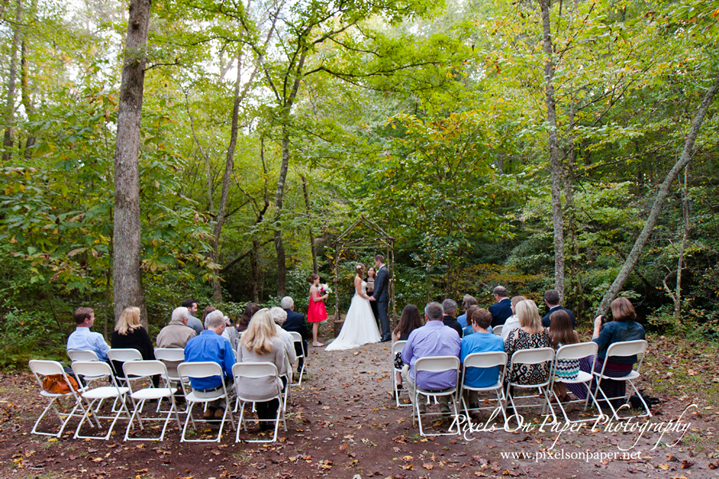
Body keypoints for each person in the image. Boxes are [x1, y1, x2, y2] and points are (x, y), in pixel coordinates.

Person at [566, 298, 646, 407]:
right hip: (627, 369)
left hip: (608, 369)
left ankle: (591, 394)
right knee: (601, 360)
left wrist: (597, 327)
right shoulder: (639, 328)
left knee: (584, 358)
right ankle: (610, 396)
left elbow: (594, 347)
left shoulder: (610, 327)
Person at [401, 302, 462, 415]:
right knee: (453, 369)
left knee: (405, 371)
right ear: (443, 317)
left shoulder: (416, 333)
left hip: (422, 380)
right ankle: (444, 402)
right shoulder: (453, 333)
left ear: (426, 317)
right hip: (448, 380)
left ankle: (419, 404)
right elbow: (458, 357)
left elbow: (405, 358)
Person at [236, 310, 286, 431]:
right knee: (276, 381)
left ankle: (263, 420)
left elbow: (239, 364)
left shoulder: (243, 341)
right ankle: (270, 418)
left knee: (259, 381)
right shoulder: (277, 343)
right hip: (267, 389)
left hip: (245, 389)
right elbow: (279, 369)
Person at [183, 312, 236, 420]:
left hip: (196, 387)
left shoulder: (191, 342)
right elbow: (231, 370)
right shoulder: (223, 342)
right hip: (215, 386)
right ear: (221, 327)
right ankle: (222, 407)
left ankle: (211, 408)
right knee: (231, 379)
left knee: (215, 377)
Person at [326, 263, 381, 351]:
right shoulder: (358, 279)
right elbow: (359, 292)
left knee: (365, 317)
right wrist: (368, 297)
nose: (364, 271)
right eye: (363, 269)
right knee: (359, 317)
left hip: (363, 300)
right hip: (360, 300)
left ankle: (366, 335)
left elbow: (363, 289)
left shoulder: (360, 279)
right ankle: (360, 336)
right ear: (361, 270)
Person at [461, 308, 505, 407]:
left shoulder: (467, 340)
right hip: (492, 379)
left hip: (471, 381)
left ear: (475, 323)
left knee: (459, 376)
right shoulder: (499, 340)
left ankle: (464, 409)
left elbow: (462, 365)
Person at [504, 300, 551, 386]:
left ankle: (508, 395)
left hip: (519, 377)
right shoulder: (545, 332)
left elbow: (506, 353)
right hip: (543, 375)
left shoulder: (515, 333)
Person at [110, 306, 156, 379]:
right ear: (135, 318)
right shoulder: (140, 332)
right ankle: (155, 385)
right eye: (138, 316)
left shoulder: (115, 333)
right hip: (139, 370)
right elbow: (150, 350)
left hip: (121, 371)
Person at [391, 304, 424, 396]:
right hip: (418, 361)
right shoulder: (421, 331)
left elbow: (396, 348)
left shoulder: (398, 332)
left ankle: (399, 382)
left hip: (402, 362)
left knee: (399, 356)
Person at [156, 307, 197, 380]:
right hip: (185, 372)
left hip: (166, 372)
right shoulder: (190, 333)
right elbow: (194, 353)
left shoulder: (162, 332)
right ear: (184, 319)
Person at [548, 310, 580, 402]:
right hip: (573, 370)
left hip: (558, 372)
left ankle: (559, 394)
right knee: (557, 370)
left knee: (549, 373)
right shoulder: (574, 334)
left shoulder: (552, 337)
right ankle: (563, 395)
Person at [281, 296, 310, 374]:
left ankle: (288, 367)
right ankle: (301, 365)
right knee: (303, 342)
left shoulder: (277, 317)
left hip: (282, 347)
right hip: (297, 348)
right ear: (292, 306)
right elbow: (305, 333)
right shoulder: (298, 317)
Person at [369, 254, 391, 342]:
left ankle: (387, 334)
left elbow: (380, 285)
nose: (375, 264)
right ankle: (385, 333)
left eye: (375, 262)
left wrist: (375, 296)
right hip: (381, 297)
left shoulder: (383, 271)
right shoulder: (382, 270)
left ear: (378, 261)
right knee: (382, 316)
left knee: (383, 316)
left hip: (382, 298)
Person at [269, 307, 298, 371]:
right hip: (281, 372)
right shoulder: (286, 336)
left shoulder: (259, 334)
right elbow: (292, 359)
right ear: (283, 320)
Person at [307, 274, 329, 347]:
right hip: (315, 306)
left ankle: (315, 341)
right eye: (318, 279)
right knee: (316, 323)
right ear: (314, 280)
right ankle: (315, 341)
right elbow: (315, 299)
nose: (319, 281)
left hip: (316, 305)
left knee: (317, 323)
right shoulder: (313, 288)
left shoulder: (315, 288)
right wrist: (323, 297)